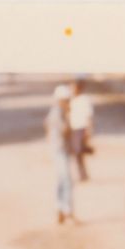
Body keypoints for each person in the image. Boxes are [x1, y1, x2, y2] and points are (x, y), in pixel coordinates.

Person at [46, 85, 76, 224]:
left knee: (61, 180)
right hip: (60, 150)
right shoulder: (59, 113)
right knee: (67, 180)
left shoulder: (54, 112)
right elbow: (65, 131)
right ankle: (67, 210)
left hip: (57, 149)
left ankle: (60, 208)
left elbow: (46, 126)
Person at [68, 79, 95, 181]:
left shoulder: (84, 100)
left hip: (81, 128)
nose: (71, 89)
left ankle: (83, 174)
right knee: (77, 152)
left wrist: (89, 130)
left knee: (79, 151)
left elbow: (89, 116)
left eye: (73, 87)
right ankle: (82, 174)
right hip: (73, 128)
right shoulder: (72, 100)